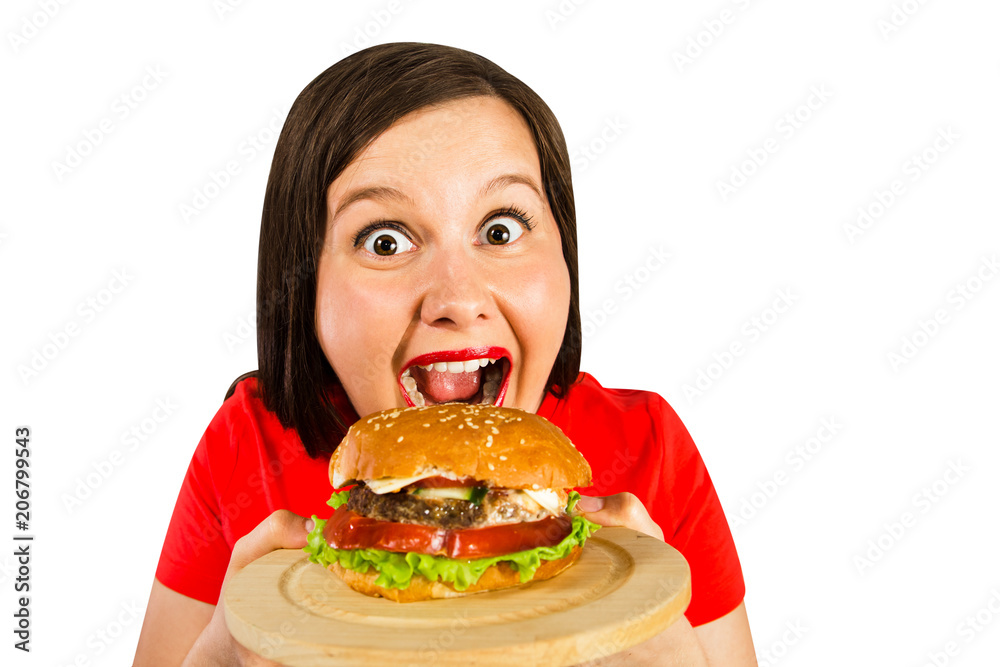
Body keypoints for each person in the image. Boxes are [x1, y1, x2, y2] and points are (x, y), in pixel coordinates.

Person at [133, 42, 756, 666]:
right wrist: (220, 654)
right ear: (303, 282)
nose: (458, 299)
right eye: (384, 240)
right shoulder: (248, 444)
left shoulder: (648, 448)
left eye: (502, 229)